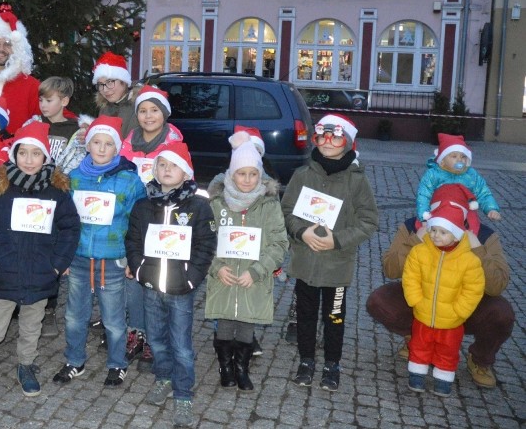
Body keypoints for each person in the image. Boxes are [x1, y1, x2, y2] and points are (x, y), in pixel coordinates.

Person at [0, 122, 80, 401]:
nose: (29, 160)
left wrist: (57, 265)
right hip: (5, 270)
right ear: (14, 155)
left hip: (41, 272)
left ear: (45, 157)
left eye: (35, 153)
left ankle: (26, 365)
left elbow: (70, 228)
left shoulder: (57, 192)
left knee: (32, 326)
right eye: (23, 153)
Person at [365, 184, 514, 389]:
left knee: (501, 312)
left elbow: (497, 286)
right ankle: (417, 340)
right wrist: (415, 240)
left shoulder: (484, 235)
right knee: (379, 301)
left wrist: (477, 250)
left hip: (464, 308)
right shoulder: (414, 227)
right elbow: (390, 269)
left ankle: (480, 359)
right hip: (423, 304)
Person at [280, 113, 378, 391]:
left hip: (336, 266)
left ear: (348, 142)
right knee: (305, 315)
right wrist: (301, 231)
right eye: (322, 136)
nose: (327, 141)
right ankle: (307, 360)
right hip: (305, 263)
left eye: (335, 137)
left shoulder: (356, 181)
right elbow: (286, 212)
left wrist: (338, 240)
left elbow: (368, 221)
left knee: (334, 317)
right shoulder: (302, 175)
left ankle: (332, 364)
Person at [125, 142, 216, 428]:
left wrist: (191, 278)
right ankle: (163, 378)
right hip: (151, 285)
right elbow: (134, 240)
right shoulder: (143, 205)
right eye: (161, 165)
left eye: (173, 165)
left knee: (181, 345)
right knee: (157, 339)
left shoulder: (199, 206)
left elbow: (205, 246)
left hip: (181, 289)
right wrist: (140, 270)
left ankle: (183, 393)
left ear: (186, 172)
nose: (166, 170)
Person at [53, 116, 146, 387]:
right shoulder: (74, 178)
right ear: (88, 144)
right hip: (80, 258)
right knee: (74, 315)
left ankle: (117, 364)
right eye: (97, 142)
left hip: (113, 260)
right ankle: (74, 360)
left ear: (116, 148)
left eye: (108, 143)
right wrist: (64, 255)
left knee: (114, 319)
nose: (102, 148)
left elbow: (138, 223)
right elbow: (64, 221)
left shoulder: (129, 181)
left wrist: (132, 258)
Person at [206, 133, 288, 391]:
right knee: (225, 325)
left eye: (253, 174)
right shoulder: (217, 204)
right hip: (224, 277)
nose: (247, 180)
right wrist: (217, 267)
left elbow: (279, 243)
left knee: (245, 327)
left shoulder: (269, 205)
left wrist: (258, 270)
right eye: (242, 174)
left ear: (260, 175)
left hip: (253, 279)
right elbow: (203, 241)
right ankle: (225, 366)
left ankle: (241, 368)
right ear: (231, 174)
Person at [118, 84, 185, 370]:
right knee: (133, 276)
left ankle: (158, 337)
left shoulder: (173, 141)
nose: (148, 116)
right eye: (142, 111)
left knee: (159, 279)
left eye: (154, 110)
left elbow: (183, 176)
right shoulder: (127, 141)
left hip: (163, 221)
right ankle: (137, 331)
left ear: (164, 114)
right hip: (133, 218)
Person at [402, 202, 485, 396]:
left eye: (442, 232)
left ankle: (443, 378)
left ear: (456, 234)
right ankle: (416, 375)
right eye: (433, 230)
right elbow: (410, 277)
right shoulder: (419, 252)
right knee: (419, 345)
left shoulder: (469, 261)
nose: (435, 236)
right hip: (423, 314)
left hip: (451, 320)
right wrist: (416, 300)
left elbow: (473, 289)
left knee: (448, 350)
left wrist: (460, 311)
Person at [27, 76, 82, 335]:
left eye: (49, 100)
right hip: (33, 195)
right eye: (41, 99)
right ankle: (27, 301)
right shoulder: (34, 125)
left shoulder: (75, 130)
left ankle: (49, 310)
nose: (43, 105)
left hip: (59, 197)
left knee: (52, 251)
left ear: (64, 101)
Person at [416, 133, 502, 232]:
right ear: (442, 160)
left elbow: (483, 192)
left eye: (463, 157)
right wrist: (423, 215)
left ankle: (469, 242)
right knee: (426, 230)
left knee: (472, 227)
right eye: (454, 156)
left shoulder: (471, 175)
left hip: (465, 211)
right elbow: (424, 194)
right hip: (439, 209)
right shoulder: (433, 174)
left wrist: (491, 209)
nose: (459, 160)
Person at [93, 51, 140, 138]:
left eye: (110, 82)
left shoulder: (139, 106)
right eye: (100, 84)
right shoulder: (104, 108)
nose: (105, 89)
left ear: (124, 82)